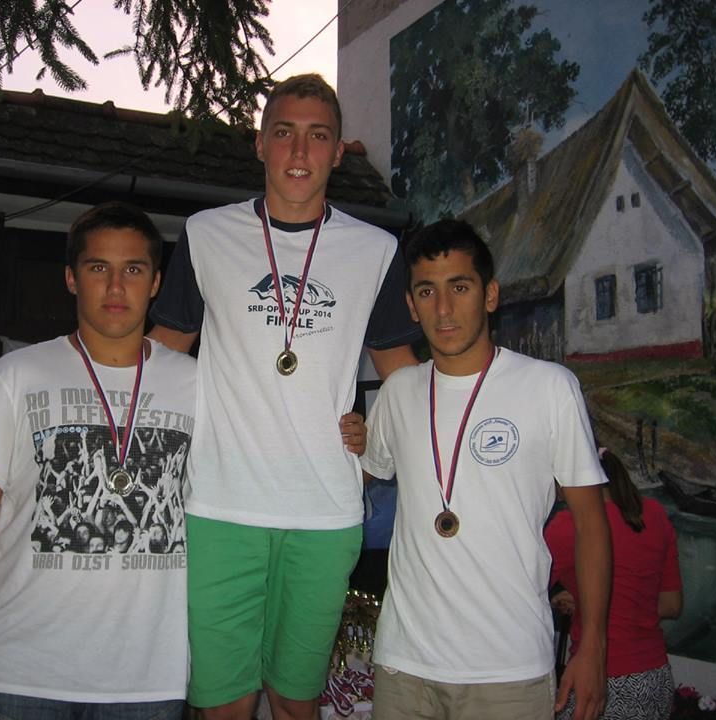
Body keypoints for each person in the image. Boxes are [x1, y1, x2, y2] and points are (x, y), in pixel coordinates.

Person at [149, 73, 420, 719]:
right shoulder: (206, 235)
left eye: (317, 136)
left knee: (297, 701)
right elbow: (162, 354)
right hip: (219, 509)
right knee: (225, 705)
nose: (300, 151)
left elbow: (405, 380)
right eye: (284, 133)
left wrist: (379, 438)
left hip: (325, 513)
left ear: (338, 151)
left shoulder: (376, 250)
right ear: (260, 144)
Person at [0, 202, 196, 720]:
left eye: (133, 270)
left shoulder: (196, 385)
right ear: (71, 278)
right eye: (98, 267)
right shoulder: (14, 378)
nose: (116, 287)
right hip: (18, 674)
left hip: (146, 682)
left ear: (156, 283)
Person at [360, 218, 613, 720]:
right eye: (427, 292)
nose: (443, 308)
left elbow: (591, 524)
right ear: (411, 305)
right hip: (404, 667)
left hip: (509, 671)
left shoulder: (549, 387)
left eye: (459, 287)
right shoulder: (398, 393)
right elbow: (351, 479)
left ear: (490, 294)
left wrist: (593, 647)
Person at [546, 447, 683, 720]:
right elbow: (671, 604)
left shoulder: (568, 526)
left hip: (602, 680)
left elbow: (521, 596)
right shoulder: (654, 514)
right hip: (655, 678)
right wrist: (587, 600)